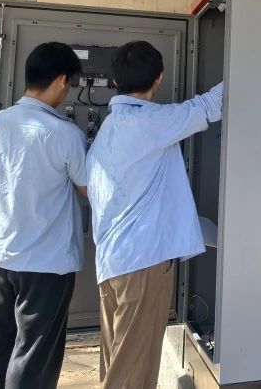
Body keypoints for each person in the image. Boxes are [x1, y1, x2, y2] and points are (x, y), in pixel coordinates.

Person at [86, 40, 223, 388]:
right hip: (142, 267)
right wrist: (249, 67)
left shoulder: (108, 130)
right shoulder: (149, 121)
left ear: (116, 81)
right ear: (158, 79)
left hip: (113, 266)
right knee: (132, 374)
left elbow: (153, 205)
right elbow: (208, 106)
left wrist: (217, 237)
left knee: (118, 365)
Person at [0, 42, 86, 389]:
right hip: (47, 264)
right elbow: (88, 188)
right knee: (33, 357)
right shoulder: (65, 133)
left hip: (0, 257)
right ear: (62, 80)